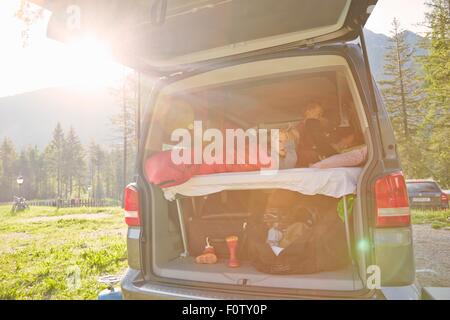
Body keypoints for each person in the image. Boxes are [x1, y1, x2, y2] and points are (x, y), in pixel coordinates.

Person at [296, 101, 337, 167]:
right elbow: (301, 148)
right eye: (316, 113)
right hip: (312, 160)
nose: (318, 116)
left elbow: (321, 142)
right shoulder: (300, 128)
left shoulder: (316, 125)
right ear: (307, 111)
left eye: (320, 114)